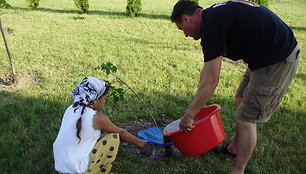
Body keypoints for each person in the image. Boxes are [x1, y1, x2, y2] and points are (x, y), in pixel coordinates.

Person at [171, 0, 299, 174]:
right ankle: (234, 149)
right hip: (262, 56)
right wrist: (197, 99)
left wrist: (189, 115)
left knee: (247, 118)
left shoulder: (211, 27)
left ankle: (238, 170)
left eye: (181, 29)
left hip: (276, 60)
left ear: (186, 19)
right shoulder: (212, 16)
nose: (185, 35)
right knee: (241, 98)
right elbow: (208, 71)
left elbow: (211, 81)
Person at [53, 76, 147, 174]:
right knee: (114, 137)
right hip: (79, 170)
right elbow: (121, 132)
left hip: (61, 167)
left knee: (109, 137)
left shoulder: (71, 109)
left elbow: (87, 135)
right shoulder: (97, 118)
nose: (104, 101)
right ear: (95, 100)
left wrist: (104, 137)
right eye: (104, 98)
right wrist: (139, 142)